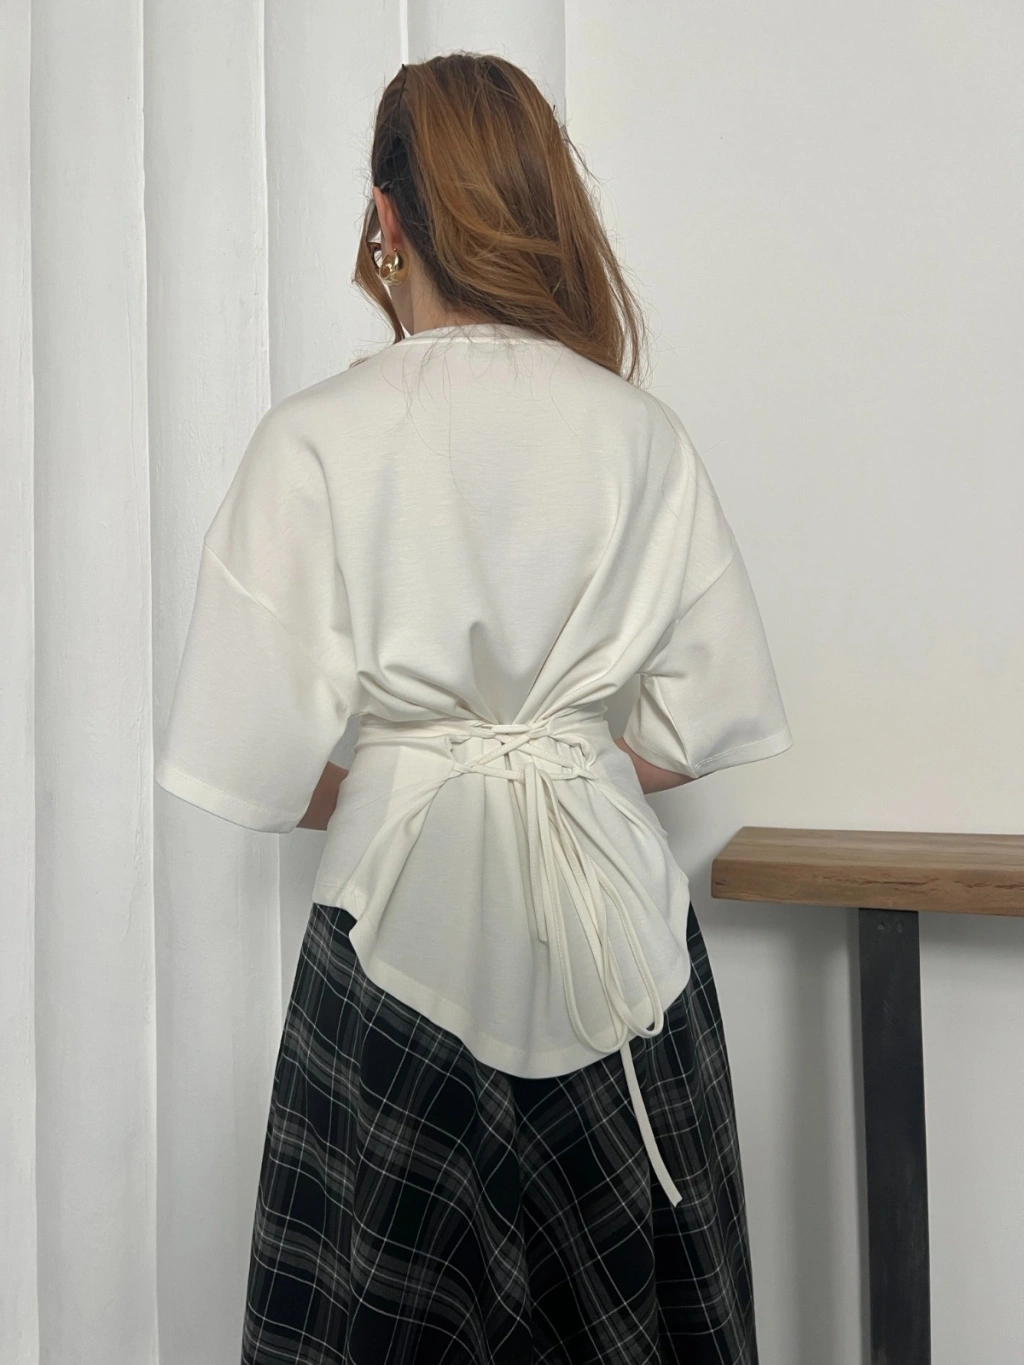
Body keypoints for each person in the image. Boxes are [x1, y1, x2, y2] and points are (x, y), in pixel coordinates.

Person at [155, 52, 792, 1365]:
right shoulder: (638, 434)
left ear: (385, 220)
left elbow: (248, 752)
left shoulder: (315, 437)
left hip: (390, 953)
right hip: (631, 969)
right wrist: (561, 756)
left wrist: (403, 772)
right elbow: (698, 730)